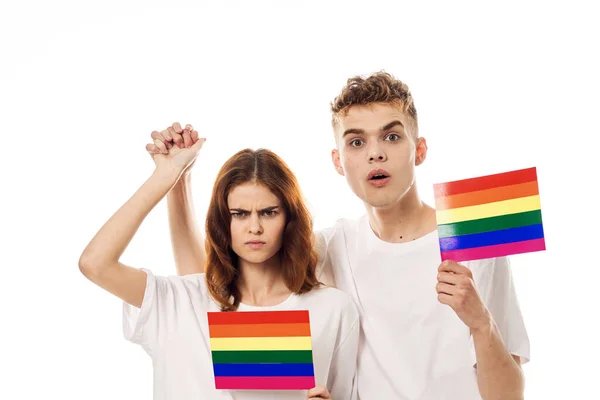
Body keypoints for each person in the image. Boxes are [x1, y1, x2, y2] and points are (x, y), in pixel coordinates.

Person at [151, 72, 530, 400]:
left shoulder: (478, 231)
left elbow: (510, 394)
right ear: (338, 161)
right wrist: (178, 182)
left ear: (420, 150)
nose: (375, 154)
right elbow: (206, 287)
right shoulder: (332, 245)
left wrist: (481, 322)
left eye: (392, 137)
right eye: (357, 142)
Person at [79, 125, 359, 400]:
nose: (255, 227)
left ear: (289, 218)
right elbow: (95, 263)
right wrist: (167, 177)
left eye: (269, 212)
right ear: (223, 220)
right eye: (239, 213)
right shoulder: (179, 301)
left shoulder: (332, 309)